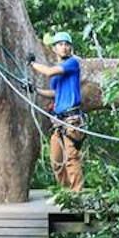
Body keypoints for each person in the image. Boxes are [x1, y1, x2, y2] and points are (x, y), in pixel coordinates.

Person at [29, 31, 85, 192]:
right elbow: (55, 94)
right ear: (55, 48)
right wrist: (36, 90)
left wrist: (32, 64)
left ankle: (77, 195)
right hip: (59, 122)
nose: (65, 47)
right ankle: (66, 193)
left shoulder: (72, 63)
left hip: (71, 121)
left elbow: (49, 71)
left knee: (71, 159)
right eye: (61, 44)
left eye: (67, 44)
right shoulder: (57, 75)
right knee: (56, 161)